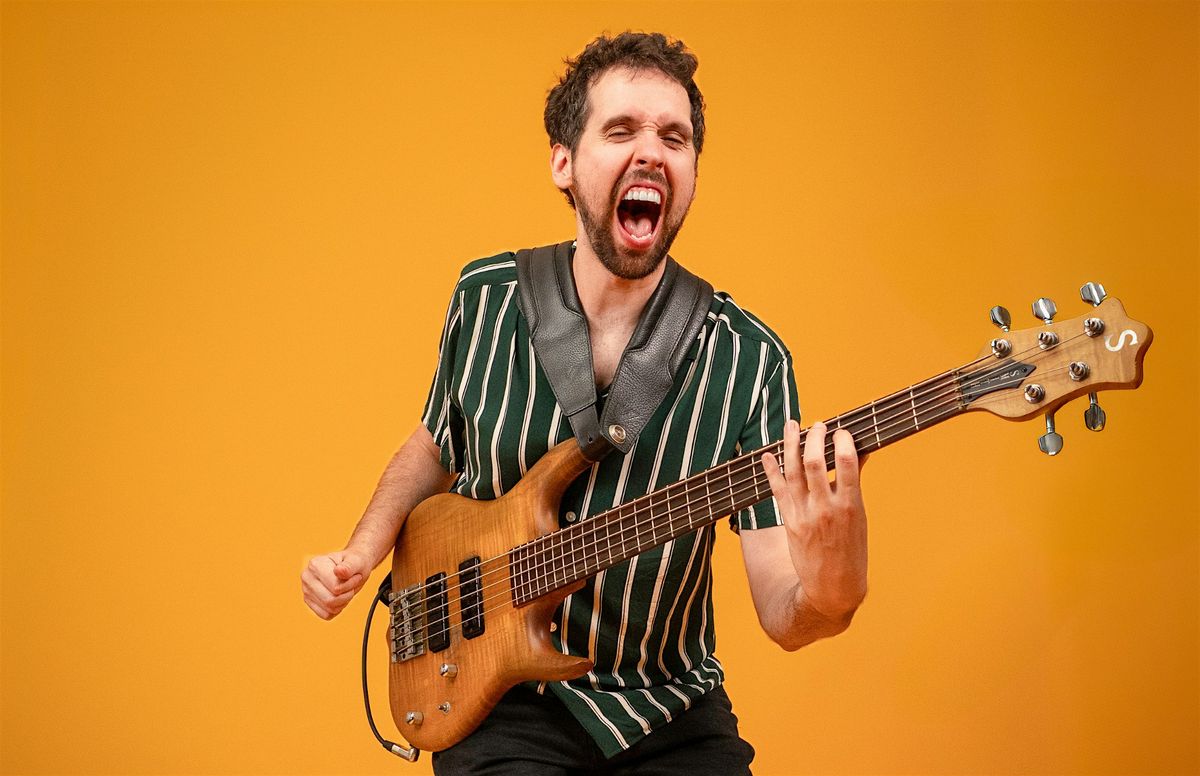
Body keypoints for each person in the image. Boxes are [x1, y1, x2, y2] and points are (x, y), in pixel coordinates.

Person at [301, 31, 869, 775]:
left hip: (668, 707)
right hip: (498, 701)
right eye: (621, 130)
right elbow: (436, 443)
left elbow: (785, 616)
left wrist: (834, 588)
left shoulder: (751, 361)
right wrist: (360, 553)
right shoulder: (486, 299)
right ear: (563, 162)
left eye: (675, 137)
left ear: (693, 172)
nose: (652, 153)